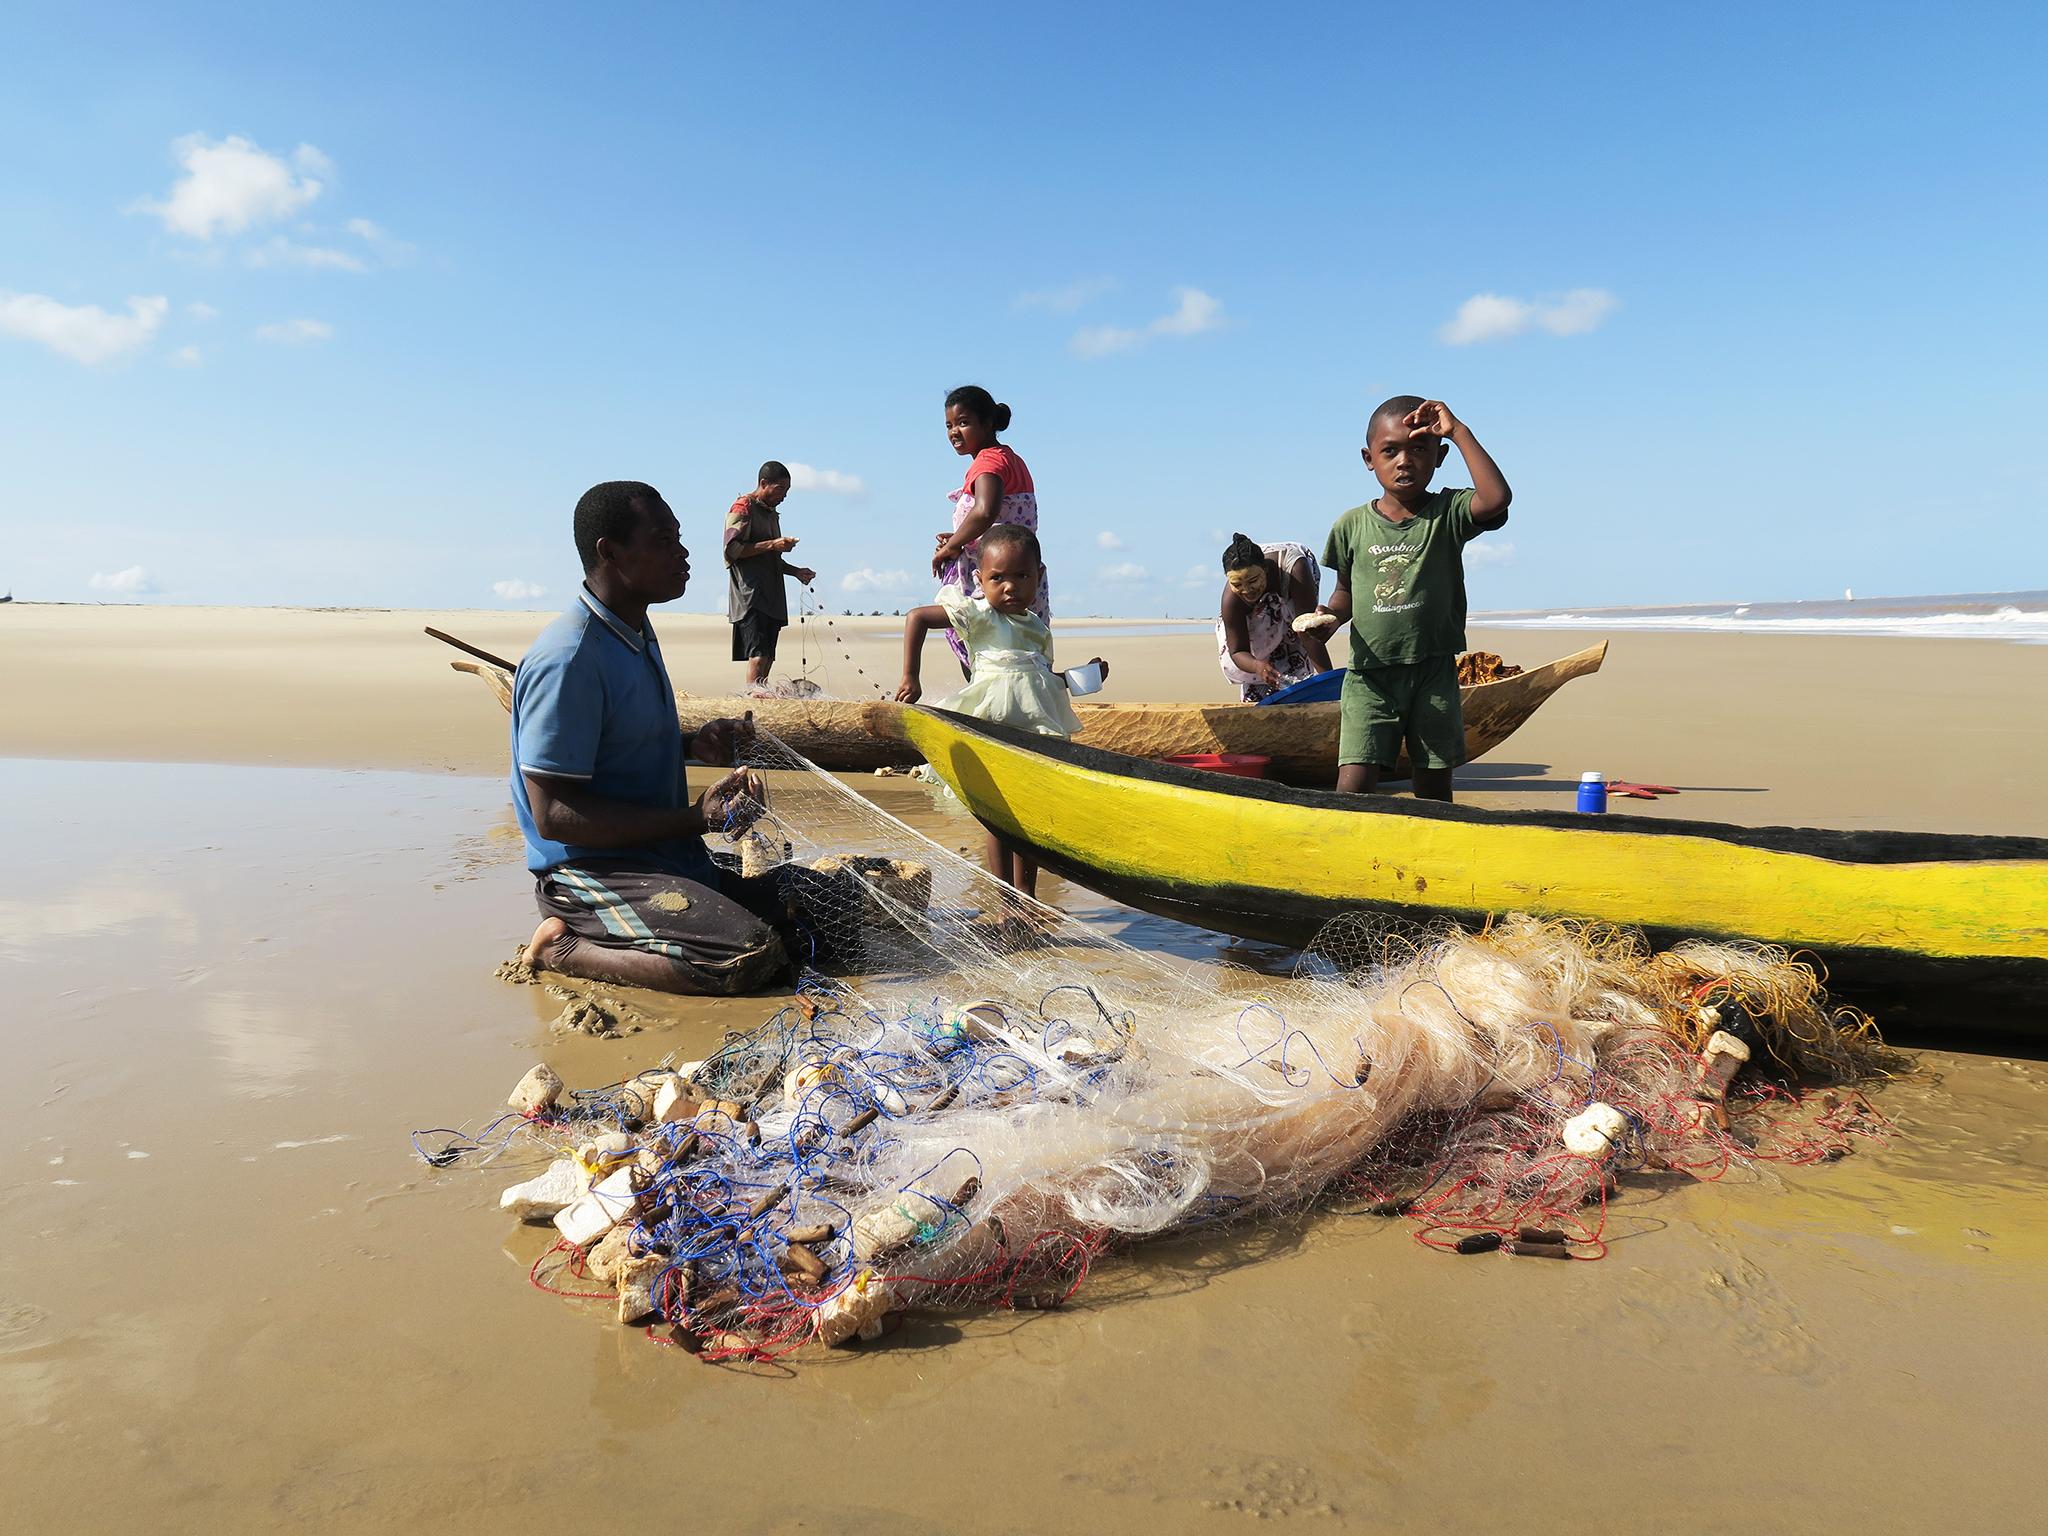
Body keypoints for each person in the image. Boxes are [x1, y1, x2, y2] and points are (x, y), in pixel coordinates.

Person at [513, 480, 797, 995]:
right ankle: (563, 948)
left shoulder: (634, 630)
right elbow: (553, 815)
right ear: (611, 553)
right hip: (591, 873)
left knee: (809, 915)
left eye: (679, 538)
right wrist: (695, 818)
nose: (684, 553)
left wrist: (693, 744)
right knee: (747, 954)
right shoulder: (570, 658)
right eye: (664, 539)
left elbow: (618, 743)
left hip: (659, 854)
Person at [1300, 397, 1511, 803]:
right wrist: (1328, 617)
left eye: (1419, 449)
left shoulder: (1448, 511)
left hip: (1432, 670)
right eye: (1390, 450)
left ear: (1439, 455)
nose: (1404, 461)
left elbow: (1496, 498)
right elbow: (1346, 592)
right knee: (1355, 781)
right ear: (1369, 458)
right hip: (1369, 675)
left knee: (1432, 784)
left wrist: (1459, 431)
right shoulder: (1351, 525)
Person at [898, 522, 1105, 902]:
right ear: (980, 579)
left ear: (1038, 576)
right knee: (997, 817)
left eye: (1021, 576)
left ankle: (1027, 896)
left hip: (1033, 734)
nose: (1010, 586)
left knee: (1029, 818)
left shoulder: (1037, 628)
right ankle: (1006, 897)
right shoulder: (979, 616)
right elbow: (917, 618)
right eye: (998, 578)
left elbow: (1041, 681)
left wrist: (1084, 676)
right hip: (992, 730)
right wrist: (911, 676)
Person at [931, 385, 1045, 673]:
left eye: (964, 422)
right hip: (1021, 570)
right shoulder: (1011, 459)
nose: (954, 432)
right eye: (949, 425)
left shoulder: (988, 461)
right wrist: (958, 536)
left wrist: (953, 546)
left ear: (988, 423)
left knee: (982, 644)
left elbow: (986, 511)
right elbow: (1002, 520)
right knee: (1017, 650)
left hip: (996, 576)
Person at [724, 460, 815, 693]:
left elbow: (769, 558)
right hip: (751, 595)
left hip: (772, 596)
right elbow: (732, 550)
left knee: (769, 656)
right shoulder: (743, 507)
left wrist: (796, 572)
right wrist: (773, 544)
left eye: (787, 491)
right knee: (758, 655)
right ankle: (753, 702)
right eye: (780, 489)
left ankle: (762, 700)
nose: (784, 496)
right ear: (764, 483)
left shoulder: (771, 514)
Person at [1216, 534, 1333, 701]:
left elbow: (1307, 632)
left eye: (1253, 580)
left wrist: (1328, 682)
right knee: (1260, 668)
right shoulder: (1232, 599)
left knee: (1298, 633)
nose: (1247, 590)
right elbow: (1237, 650)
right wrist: (1257, 666)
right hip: (1258, 617)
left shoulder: (1296, 569)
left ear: (1265, 569)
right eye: (1237, 585)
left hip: (1293, 577)